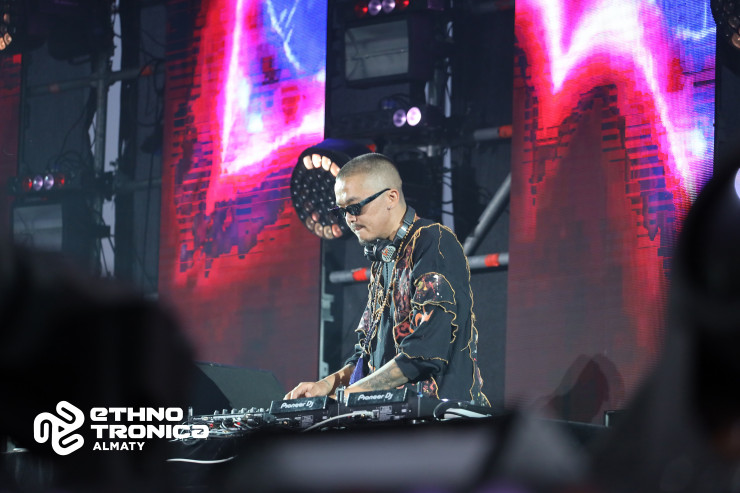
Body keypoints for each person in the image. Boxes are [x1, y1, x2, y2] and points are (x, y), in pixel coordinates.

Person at [285, 153, 489, 405]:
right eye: (342, 211)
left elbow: (424, 352)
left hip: (444, 417)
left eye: (355, 207)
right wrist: (326, 385)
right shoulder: (383, 259)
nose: (349, 219)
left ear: (391, 197)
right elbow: (366, 356)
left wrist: (349, 394)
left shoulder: (433, 242)